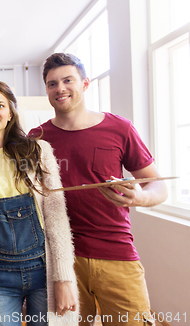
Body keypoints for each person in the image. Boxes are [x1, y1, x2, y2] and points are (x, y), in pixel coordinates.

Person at [27, 53, 168, 326]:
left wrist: (140, 197)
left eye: (68, 80)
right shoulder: (37, 137)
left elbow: (157, 183)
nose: (60, 88)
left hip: (117, 254)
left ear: (85, 83)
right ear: (46, 90)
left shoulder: (120, 128)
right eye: (52, 83)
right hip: (62, 261)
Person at [0, 81, 78, 326]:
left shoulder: (39, 151)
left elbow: (57, 218)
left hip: (43, 270)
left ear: (11, 112)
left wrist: (64, 278)